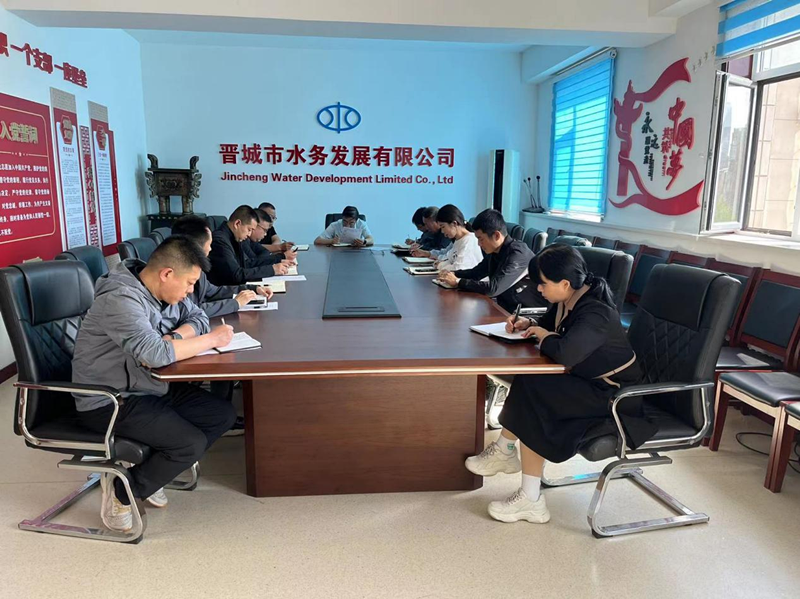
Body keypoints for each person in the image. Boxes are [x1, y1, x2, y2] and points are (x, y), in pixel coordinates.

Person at [464, 245, 656, 524]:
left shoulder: (597, 313)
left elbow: (566, 352)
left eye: (542, 284)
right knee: (533, 384)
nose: (538, 289)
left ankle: (516, 473)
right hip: (587, 382)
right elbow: (550, 326)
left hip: (616, 397)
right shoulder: (567, 299)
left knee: (536, 394)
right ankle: (519, 477)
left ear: (565, 283)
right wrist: (529, 324)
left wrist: (544, 335)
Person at [72, 236, 238, 532]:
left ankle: (151, 472)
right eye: (189, 283)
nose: (190, 291)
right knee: (189, 444)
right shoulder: (121, 299)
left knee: (221, 415)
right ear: (167, 274)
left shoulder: (161, 291)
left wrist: (175, 337)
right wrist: (211, 340)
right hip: (109, 399)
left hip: (148, 386)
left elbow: (198, 316)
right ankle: (123, 491)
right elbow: (154, 355)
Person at [172, 215, 273, 318]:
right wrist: (235, 303)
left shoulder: (198, 269)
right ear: (196, 247)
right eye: (209, 244)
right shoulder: (177, 275)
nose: (210, 249)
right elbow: (192, 311)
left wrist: (252, 289)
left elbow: (215, 292)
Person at [436, 209, 533, 311]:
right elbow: (476, 273)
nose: (479, 244)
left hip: (524, 313)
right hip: (504, 308)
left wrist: (458, 282)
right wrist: (453, 274)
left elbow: (493, 289)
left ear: (496, 235)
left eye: (481, 239)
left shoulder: (518, 254)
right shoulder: (495, 251)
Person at [208, 205, 289, 285]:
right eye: (249, 229)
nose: (249, 234)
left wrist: (276, 262)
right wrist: (272, 270)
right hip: (225, 289)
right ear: (237, 223)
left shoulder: (234, 237)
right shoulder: (220, 241)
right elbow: (236, 275)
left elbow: (246, 264)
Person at [433, 204, 483, 272]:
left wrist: (440, 266)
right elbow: (450, 260)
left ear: (454, 223)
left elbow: (459, 268)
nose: (442, 231)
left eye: (443, 227)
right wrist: (441, 264)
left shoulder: (469, 241)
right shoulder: (458, 240)